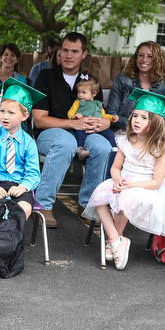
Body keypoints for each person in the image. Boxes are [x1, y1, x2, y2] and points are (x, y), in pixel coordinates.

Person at [82, 89, 165, 270]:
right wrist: (117, 179)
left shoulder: (161, 148)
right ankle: (116, 240)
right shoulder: (125, 140)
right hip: (125, 180)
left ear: (156, 123)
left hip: (147, 186)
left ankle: (113, 242)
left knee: (125, 199)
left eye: (144, 117)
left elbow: (157, 182)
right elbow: (115, 167)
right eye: (135, 115)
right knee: (99, 196)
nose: (136, 120)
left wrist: (130, 185)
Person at [32, 32, 114, 228]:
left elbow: (100, 113)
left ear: (84, 54)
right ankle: (43, 205)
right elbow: (39, 120)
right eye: (65, 50)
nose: (69, 56)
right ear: (59, 52)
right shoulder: (45, 78)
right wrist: (73, 124)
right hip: (49, 134)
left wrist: (106, 123)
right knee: (66, 143)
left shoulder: (91, 81)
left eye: (75, 51)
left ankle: (87, 205)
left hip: (84, 133)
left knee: (103, 147)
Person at [0, 79, 43, 219]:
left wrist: (22, 187)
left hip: (19, 185)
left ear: (24, 116)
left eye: (11, 113)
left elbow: (33, 173)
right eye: (2, 111)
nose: (5, 116)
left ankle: (12, 240)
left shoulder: (29, 143)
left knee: (23, 208)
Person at [106, 40, 165, 131]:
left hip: (151, 134)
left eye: (150, 56)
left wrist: (149, 132)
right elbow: (111, 114)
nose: (144, 60)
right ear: (136, 57)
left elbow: (164, 118)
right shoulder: (123, 79)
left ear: (157, 60)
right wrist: (136, 126)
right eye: (141, 55)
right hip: (122, 131)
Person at [68, 72, 119, 159]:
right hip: (84, 126)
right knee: (80, 135)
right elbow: (70, 112)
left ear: (94, 93)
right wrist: (74, 116)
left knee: (110, 133)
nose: (80, 95)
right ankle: (80, 150)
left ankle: (115, 149)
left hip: (97, 127)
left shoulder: (98, 104)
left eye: (84, 92)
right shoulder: (78, 102)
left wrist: (111, 117)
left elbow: (104, 115)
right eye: (79, 92)